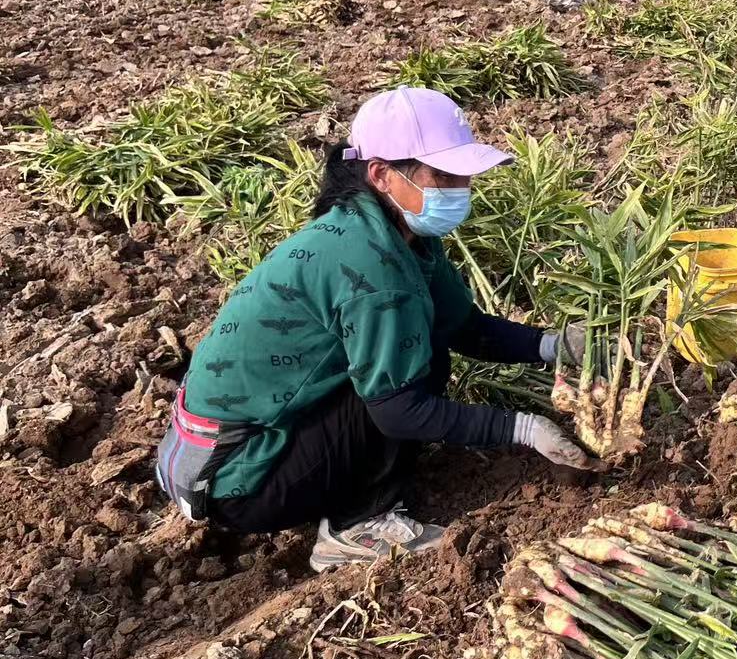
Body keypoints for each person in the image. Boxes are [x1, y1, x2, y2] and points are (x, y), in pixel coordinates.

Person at [153, 87, 591, 572]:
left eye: (463, 175)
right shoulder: (371, 265)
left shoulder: (393, 231)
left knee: (419, 351)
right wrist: (524, 429)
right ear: (381, 174)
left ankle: (345, 489)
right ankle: (355, 527)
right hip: (238, 478)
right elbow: (400, 412)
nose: (461, 188)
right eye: (444, 175)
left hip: (240, 450)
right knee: (412, 373)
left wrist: (552, 345)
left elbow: (461, 325)